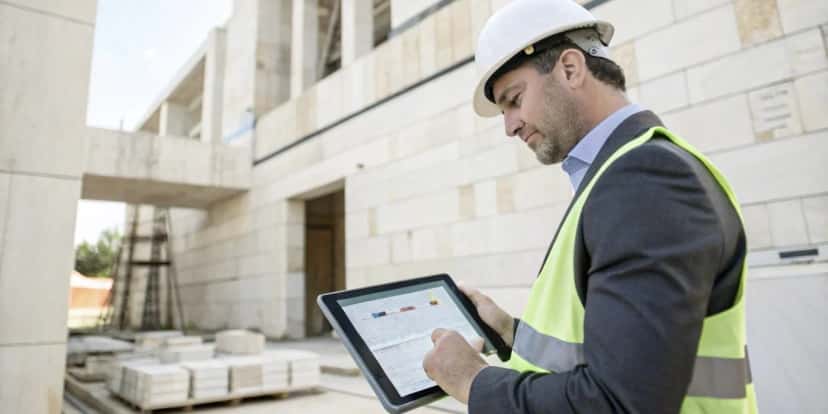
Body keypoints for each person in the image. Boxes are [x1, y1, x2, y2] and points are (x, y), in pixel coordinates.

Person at [421, 0, 759, 413]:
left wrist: (475, 383)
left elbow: (622, 402)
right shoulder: (621, 174)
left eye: (513, 99)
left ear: (570, 69)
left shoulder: (645, 181)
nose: (509, 126)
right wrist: (510, 333)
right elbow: (609, 356)